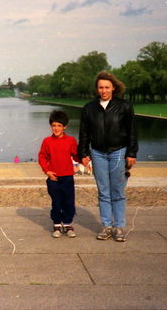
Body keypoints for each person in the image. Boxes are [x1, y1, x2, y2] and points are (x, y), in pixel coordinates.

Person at [78, 71, 137, 242]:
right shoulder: (89, 108)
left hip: (119, 151)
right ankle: (106, 226)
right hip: (98, 153)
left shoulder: (124, 106)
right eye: (100, 87)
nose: (103, 90)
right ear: (97, 89)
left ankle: (118, 227)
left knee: (117, 191)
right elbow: (84, 134)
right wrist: (83, 153)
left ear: (113, 88)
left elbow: (132, 131)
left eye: (107, 87)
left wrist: (132, 153)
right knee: (103, 192)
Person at [38, 110, 79, 238]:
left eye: (59, 126)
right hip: (53, 177)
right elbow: (42, 157)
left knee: (69, 201)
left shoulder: (71, 140)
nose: (56, 128)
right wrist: (47, 171)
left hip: (67, 176)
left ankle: (67, 224)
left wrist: (80, 163)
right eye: (54, 125)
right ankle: (56, 224)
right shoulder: (47, 141)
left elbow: (76, 155)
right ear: (51, 126)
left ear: (65, 126)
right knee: (56, 202)